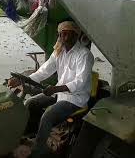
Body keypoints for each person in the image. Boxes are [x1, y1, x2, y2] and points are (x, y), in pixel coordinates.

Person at [8, 21, 94, 157]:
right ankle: (29, 136)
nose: (64, 38)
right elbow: (43, 71)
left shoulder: (84, 55)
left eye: (68, 35)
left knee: (48, 116)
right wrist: (21, 80)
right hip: (59, 94)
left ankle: (38, 151)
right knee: (30, 103)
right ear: (59, 36)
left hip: (76, 98)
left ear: (76, 35)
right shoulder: (58, 52)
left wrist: (55, 89)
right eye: (62, 35)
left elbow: (80, 82)